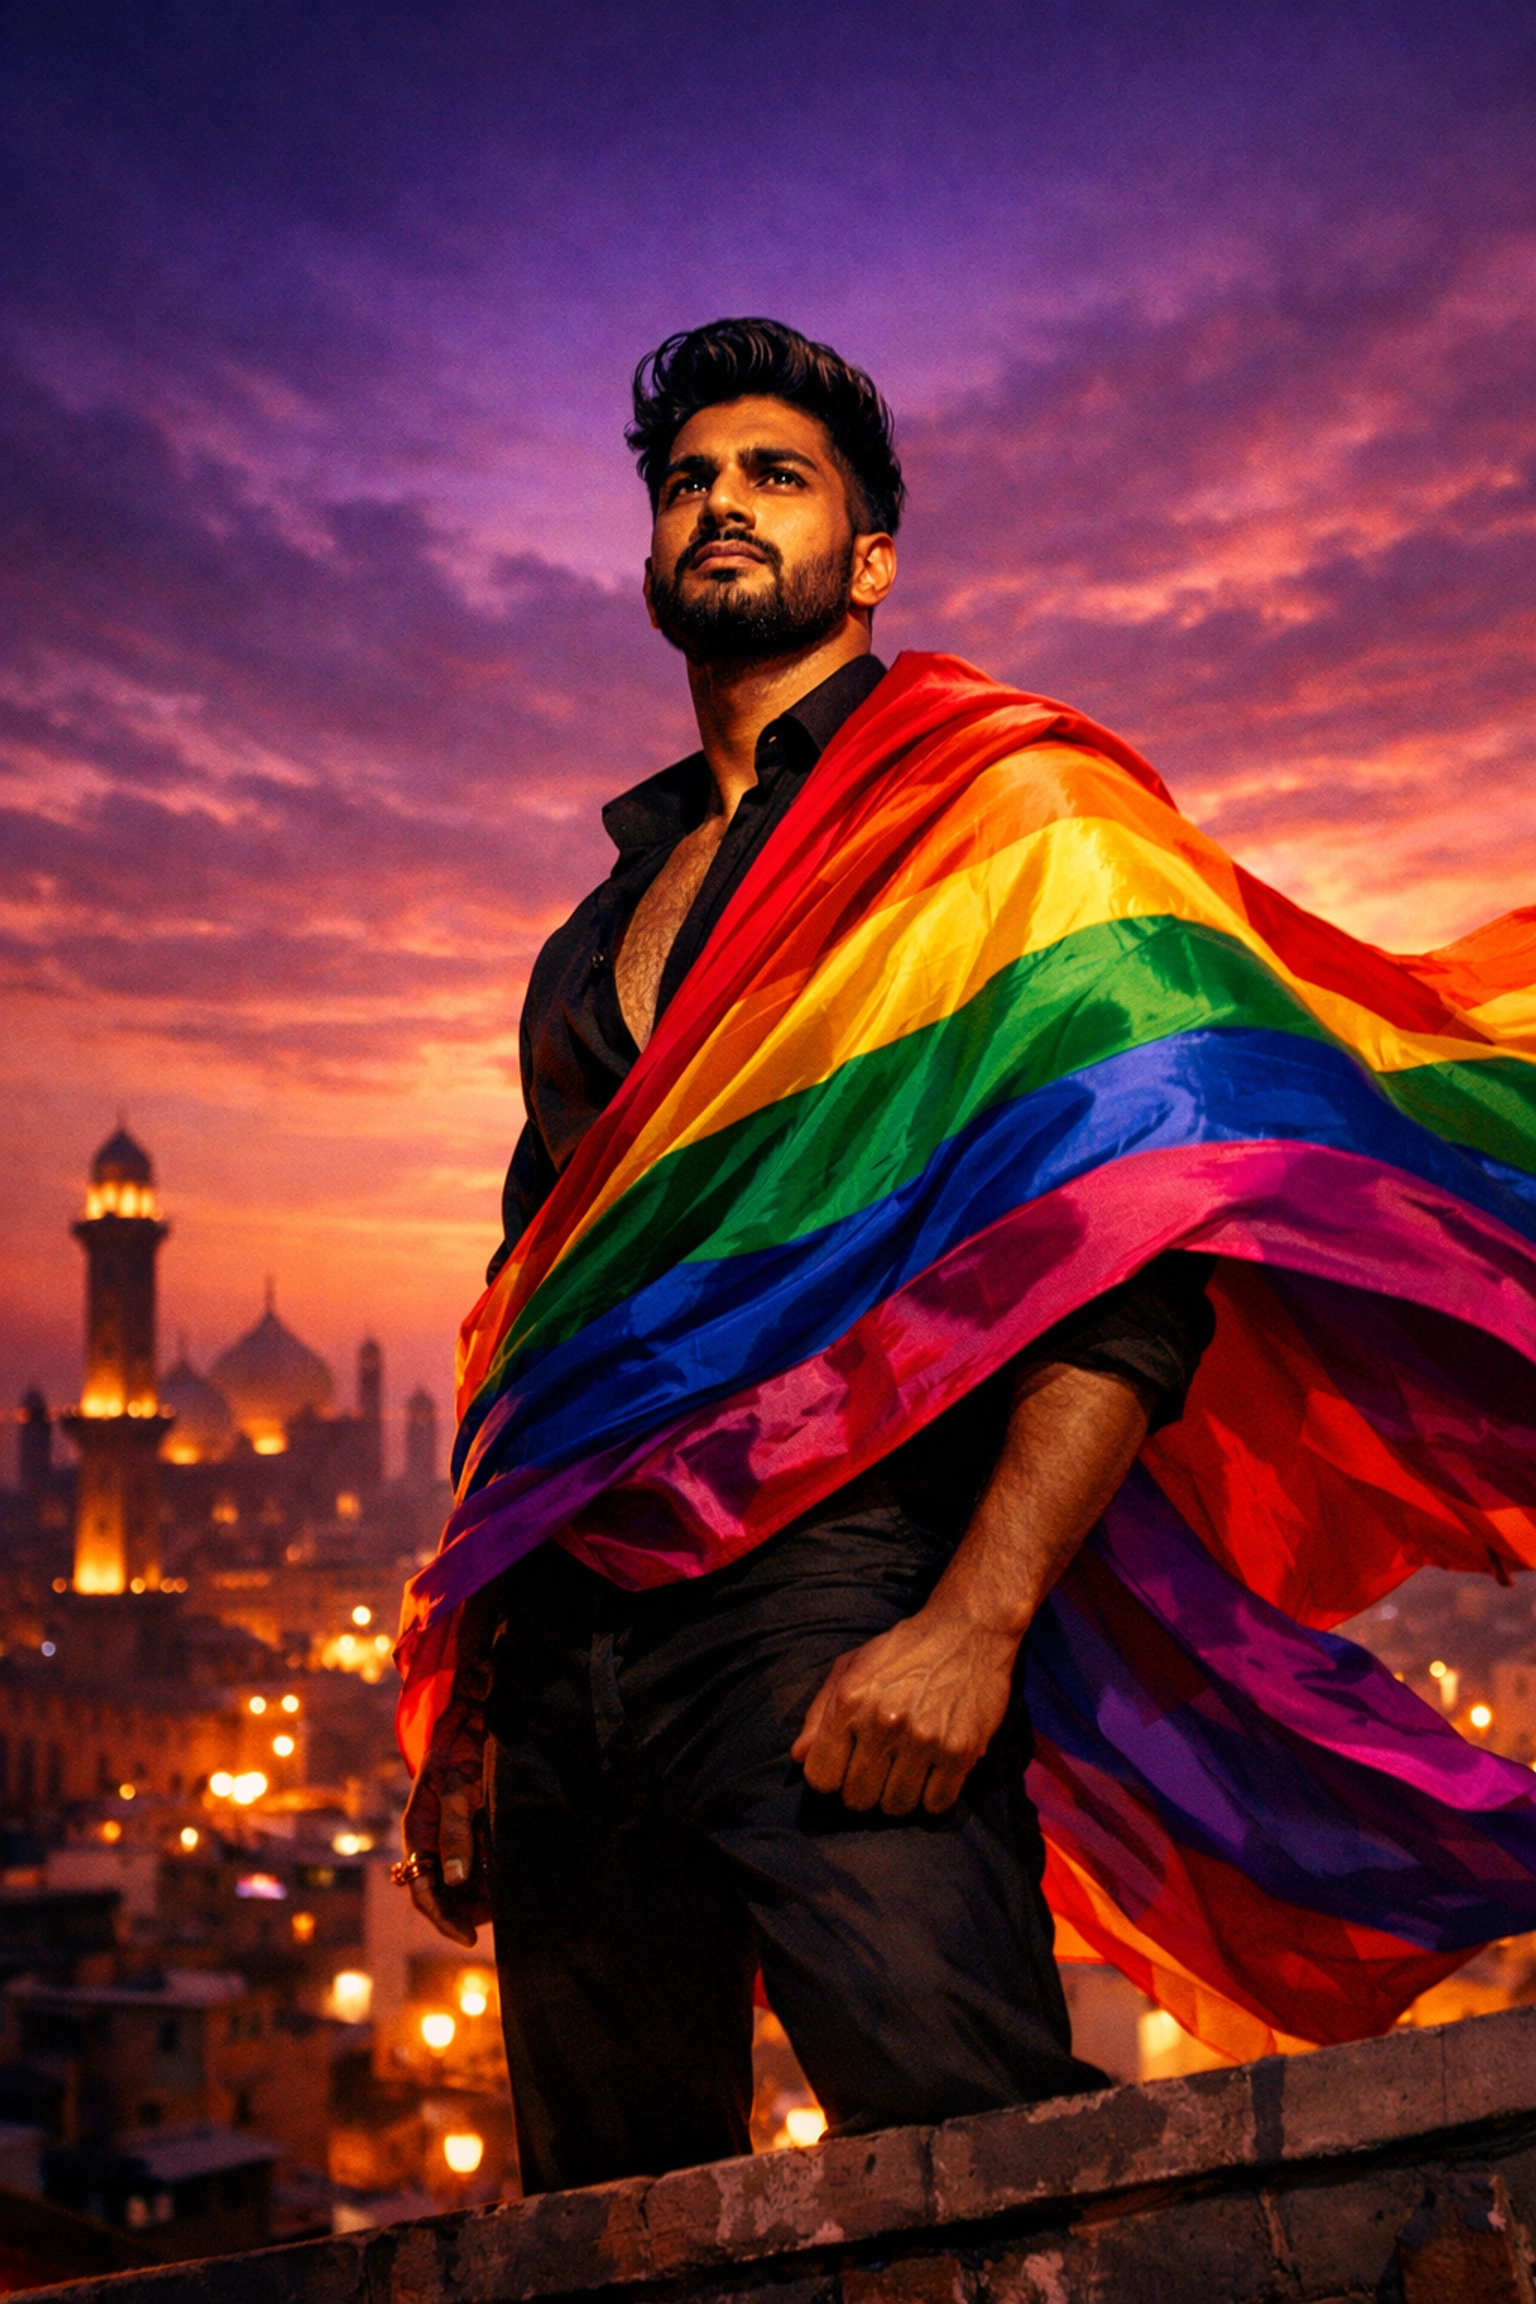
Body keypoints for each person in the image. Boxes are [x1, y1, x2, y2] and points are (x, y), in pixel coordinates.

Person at [395, 319, 1216, 2191]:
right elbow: (543, 1324)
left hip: (833, 1596)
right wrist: (476, 1702)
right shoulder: (599, 923)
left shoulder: (993, 820)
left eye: (776, 474)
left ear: (870, 558)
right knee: (610, 2219)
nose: (720, 504)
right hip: (576, 1652)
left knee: (983, 2168)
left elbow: (1140, 1233)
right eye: (688, 479)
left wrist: (977, 1621)